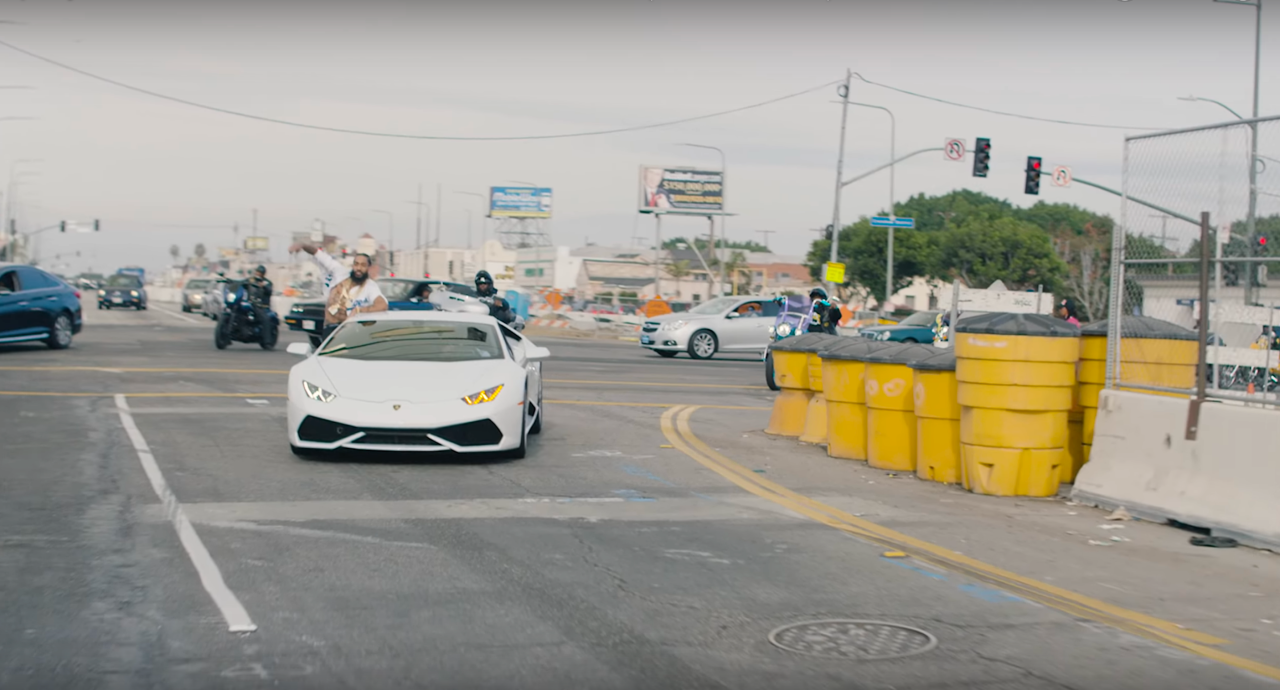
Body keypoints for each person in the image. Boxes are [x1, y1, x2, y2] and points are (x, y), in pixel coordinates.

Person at [321, 253, 389, 342]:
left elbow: (382, 305)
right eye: (356, 264)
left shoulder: (370, 286)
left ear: (369, 268)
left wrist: (358, 310)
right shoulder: (341, 280)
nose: (358, 268)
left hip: (353, 332)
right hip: (330, 331)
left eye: (363, 265)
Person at [244, 264, 273, 328]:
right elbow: (243, 282)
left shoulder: (266, 282)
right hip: (250, 303)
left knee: (265, 319)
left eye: (260, 272)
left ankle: (267, 337)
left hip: (262, 306)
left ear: (263, 274)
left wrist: (264, 286)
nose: (258, 274)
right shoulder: (251, 280)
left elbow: (269, 290)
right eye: (257, 272)